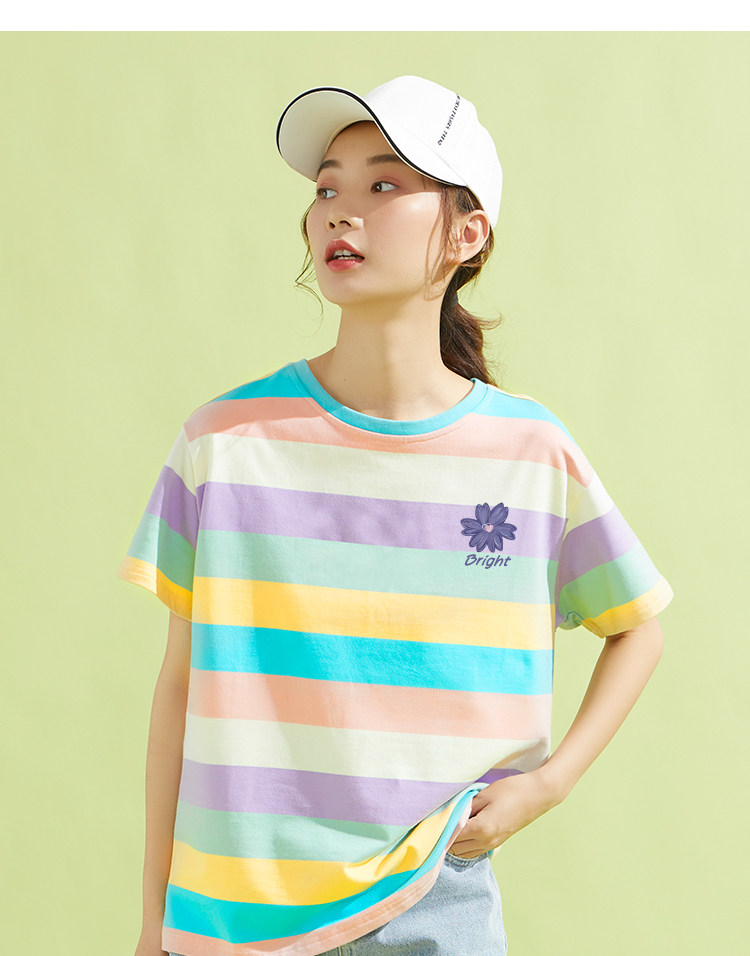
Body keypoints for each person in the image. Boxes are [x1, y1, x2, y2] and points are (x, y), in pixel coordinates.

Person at [119, 75, 674, 956]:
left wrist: (550, 784)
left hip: (435, 902)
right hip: (233, 919)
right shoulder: (224, 442)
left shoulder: (528, 453)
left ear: (466, 233)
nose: (341, 211)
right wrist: (154, 925)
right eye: (326, 188)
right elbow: (178, 692)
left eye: (384, 184)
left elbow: (637, 626)